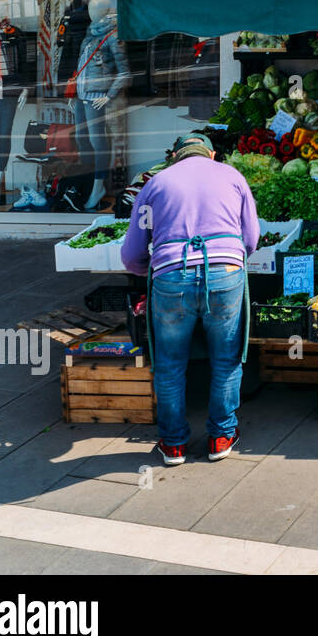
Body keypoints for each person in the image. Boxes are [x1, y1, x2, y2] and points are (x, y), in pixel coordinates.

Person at [121, 133, 259, 466]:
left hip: (172, 276)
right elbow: (251, 238)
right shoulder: (232, 176)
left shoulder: (156, 184)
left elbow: (132, 253)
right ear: (211, 154)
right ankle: (221, 436)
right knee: (226, 359)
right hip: (225, 273)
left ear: (175, 156)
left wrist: (147, 270)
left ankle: (173, 445)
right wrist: (232, 261)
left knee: (169, 365)